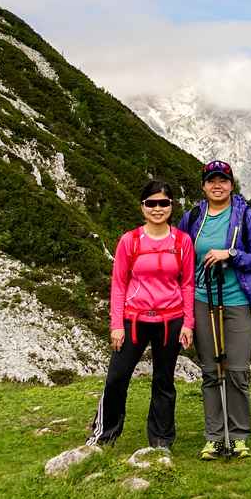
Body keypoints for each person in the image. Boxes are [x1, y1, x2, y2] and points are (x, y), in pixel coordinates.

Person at [89, 180, 195, 449]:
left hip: (171, 320)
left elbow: (188, 284)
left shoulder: (183, 242)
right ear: (142, 207)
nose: (157, 208)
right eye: (151, 203)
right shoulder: (130, 240)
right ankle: (103, 435)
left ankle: (161, 441)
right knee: (116, 377)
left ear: (171, 206)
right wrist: (116, 324)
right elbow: (119, 284)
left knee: (164, 380)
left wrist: (188, 324)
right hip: (133, 320)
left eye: (163, 203)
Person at [180, 160, 251, 460]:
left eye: (223, 180)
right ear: (204, 186)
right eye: (211, 180)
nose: (217, 185)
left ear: (232, 185)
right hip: (202, 299)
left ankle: (239, 435)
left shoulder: (246, 216)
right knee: (210, 370)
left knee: (235, 370)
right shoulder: (194, 216)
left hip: (238, 300)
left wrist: (231, 254)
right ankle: (215, 437)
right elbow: (180, 250)